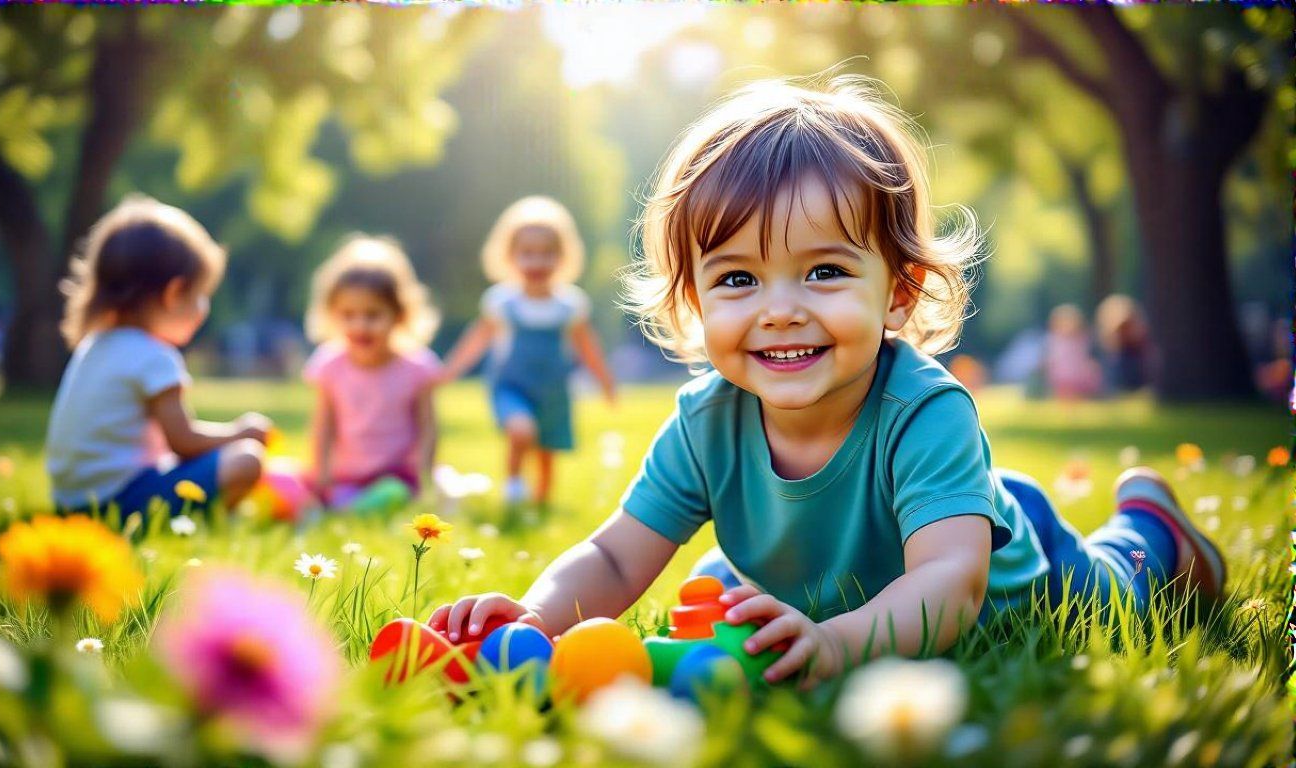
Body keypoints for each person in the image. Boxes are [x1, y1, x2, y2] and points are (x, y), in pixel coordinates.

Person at [428, 75, 1226, 687]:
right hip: (858, 561)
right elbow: (612, 557)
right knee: (726, 587)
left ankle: (1153, 528)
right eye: (737, 280)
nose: (780, 311)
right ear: (692, 299)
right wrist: (533, 618)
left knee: (1116, 600)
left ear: (900, 290)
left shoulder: (925, 413)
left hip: (1019, 570)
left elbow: (949, 583)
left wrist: (834, 643)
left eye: (823, 271)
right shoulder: (708, 422)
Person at [47, 195, 270, 518]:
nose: (204, 308)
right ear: (174, 293)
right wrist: (241, 431)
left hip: (71, 505)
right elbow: (183, 441)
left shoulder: (95, 345)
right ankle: (215, 517)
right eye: (201, 296)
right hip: (119, 503)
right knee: (246, 458)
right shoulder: (153, 356)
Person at [440, 196, 616, 507]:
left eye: (547, 254)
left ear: (562, 257)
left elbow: (587, 346)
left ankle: (540, 504)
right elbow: (477, 339)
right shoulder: (502, 302)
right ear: (510, 257)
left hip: (553, 391)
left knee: (547, 450)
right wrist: (451, 370)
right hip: (512, 385)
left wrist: (604, 381)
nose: (537, 262)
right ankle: (513, 485)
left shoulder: (570, 305)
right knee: (521, 431)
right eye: (527, 254)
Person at [304, 235, 442, 507]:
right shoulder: (331, 365)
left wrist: (425, 475)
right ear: (333, 314)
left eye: (372, 315)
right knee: (299, 486)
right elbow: (324, 426)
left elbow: (428, 427)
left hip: (397, 474)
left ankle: (354, 507)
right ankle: (345, 504)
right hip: (347, 474)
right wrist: (321, 473)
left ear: (399, 314)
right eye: (348, 315)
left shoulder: (416, 367)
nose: (360, 326)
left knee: (395, 494)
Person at [1044, 303, 1102, 400]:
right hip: (1062, 374)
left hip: (1079, 372)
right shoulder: (1053, 340)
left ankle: (1086, 394)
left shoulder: (1082, 339)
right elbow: (1051, 358)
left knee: (1092, 372)